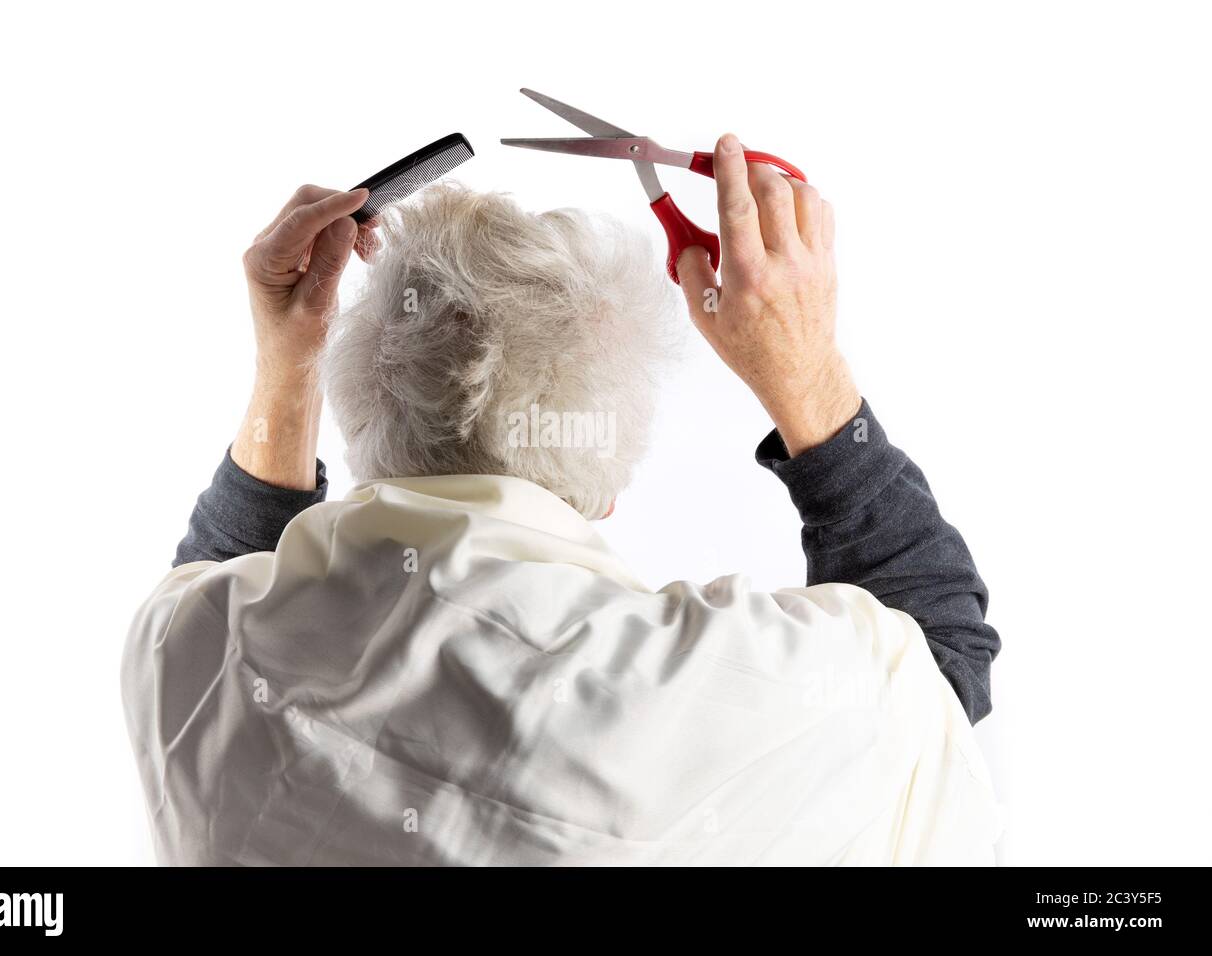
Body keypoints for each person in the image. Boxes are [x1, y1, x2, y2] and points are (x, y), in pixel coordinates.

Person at [122, 135, 1001, 865]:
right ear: (608, 486)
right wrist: (805, 374)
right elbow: (938, 666)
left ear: (360, 420)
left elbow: (210, 578)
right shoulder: (743, 690)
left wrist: (286, 361)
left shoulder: (200, 656)